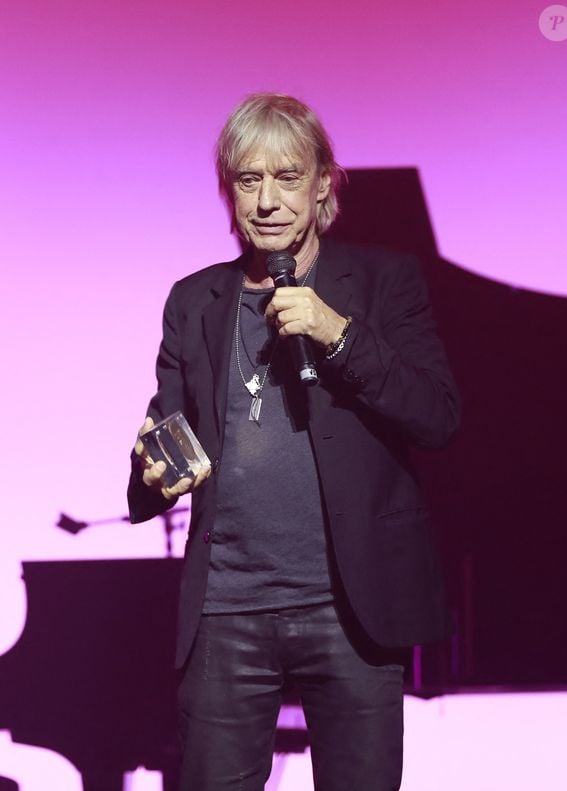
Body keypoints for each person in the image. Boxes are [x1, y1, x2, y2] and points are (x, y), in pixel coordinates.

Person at [128, 92, 460, 791]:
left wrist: (339, 334)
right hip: (226, 615)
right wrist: (152, 472)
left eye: (287, 177)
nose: (269, 200)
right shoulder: (194, 300)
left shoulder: (379, 282)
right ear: (230, 191)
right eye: (249, 180)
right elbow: (162, 441)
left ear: (321, 185)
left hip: (349, 608)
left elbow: (437, 415)